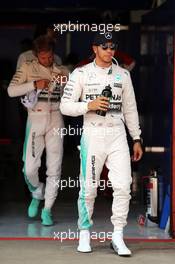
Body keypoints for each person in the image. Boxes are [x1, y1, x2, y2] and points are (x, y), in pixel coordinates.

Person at [60, 31, 143, 256]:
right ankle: (84, 233)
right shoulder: (81, 73)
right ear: (95, 48)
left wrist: (136, 137)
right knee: (88, 187)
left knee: (123, 185)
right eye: (104, 47)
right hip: (93, 135)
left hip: (117, 134)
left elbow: (130, 108)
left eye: (112, 47)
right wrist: (89, 104)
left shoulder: (123, 75)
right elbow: (65, 106)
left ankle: (117, 236)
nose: (109, 51)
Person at [8, 35, 68, 226]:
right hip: (35, 119)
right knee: (30, 168)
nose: (47, 60)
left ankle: (48, 209)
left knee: (54, 168)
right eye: (43, 57)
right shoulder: (27, 67)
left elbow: (75, 93)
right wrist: (34, 84)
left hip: (56, 119)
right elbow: (11, 91)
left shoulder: (62, 70)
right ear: (36, 55)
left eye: (49, 56)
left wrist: (66, 81)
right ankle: (37, 192)